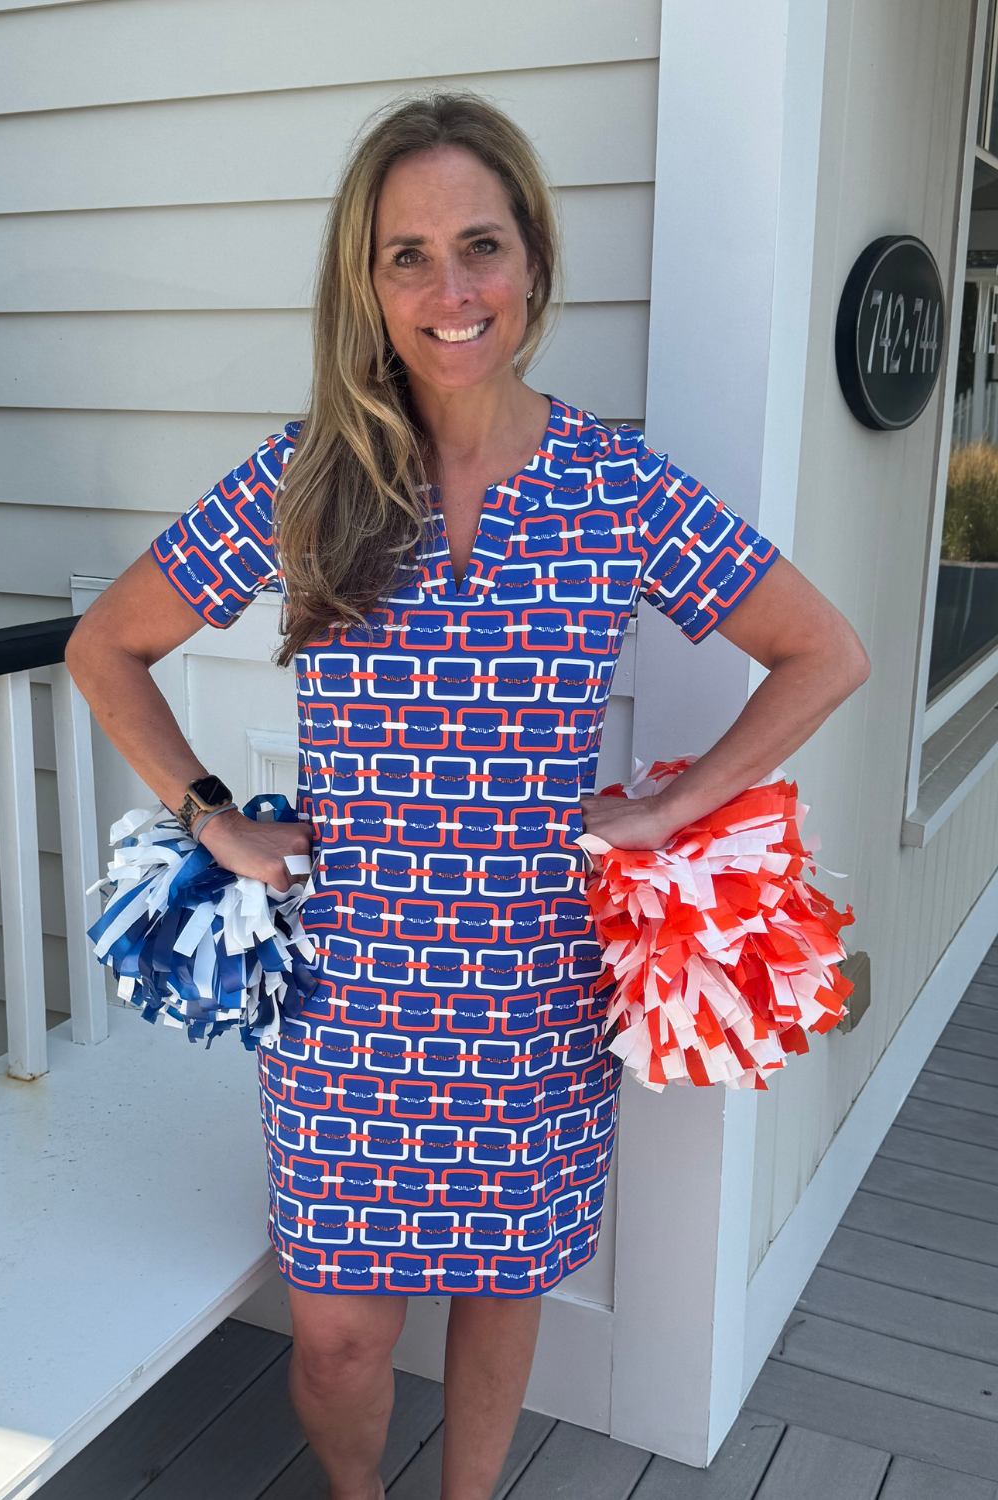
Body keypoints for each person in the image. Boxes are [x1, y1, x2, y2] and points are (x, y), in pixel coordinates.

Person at [66, 92, 869, 1500]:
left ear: (536, 263)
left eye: (481, 246)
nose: (452, 291)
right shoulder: (310, 476)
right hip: (350, 987)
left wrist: (671, 814)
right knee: (336, 1339)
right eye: (408, 256)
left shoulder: (615, 486)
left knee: (506, 1287)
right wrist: (210, 811)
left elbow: (825, 652)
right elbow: (106, 645)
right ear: (366, 288)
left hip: (530, 976)